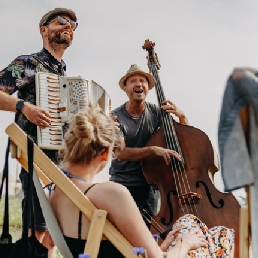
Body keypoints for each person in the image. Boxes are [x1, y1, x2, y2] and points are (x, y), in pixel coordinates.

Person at [49, 105, 208, 258]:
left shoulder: (54, 193)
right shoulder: (111, 193)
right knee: (213, 234)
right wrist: (184, 243)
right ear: (105, 154)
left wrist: (159, 249)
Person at [0, 7, 78, 255]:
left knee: (55, 238)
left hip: (63, 165)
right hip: (35, 158)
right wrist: (24, 107)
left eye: (74, 25)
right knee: (37, 232)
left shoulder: (66, 75)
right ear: (43, 30)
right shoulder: (28, 63)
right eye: (62, 21)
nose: (69, 26)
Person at [109, 64, 189, 227]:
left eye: (142, 81)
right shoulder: (116, 117)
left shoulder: (157, 112)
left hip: (150, 186)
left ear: (148, 88)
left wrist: (182, 117)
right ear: (125, 88)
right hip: (122, 184)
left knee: (149, 236)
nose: (138, 84)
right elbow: (120, 153)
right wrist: (153, 150)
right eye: (133, 81)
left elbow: (185, 140)